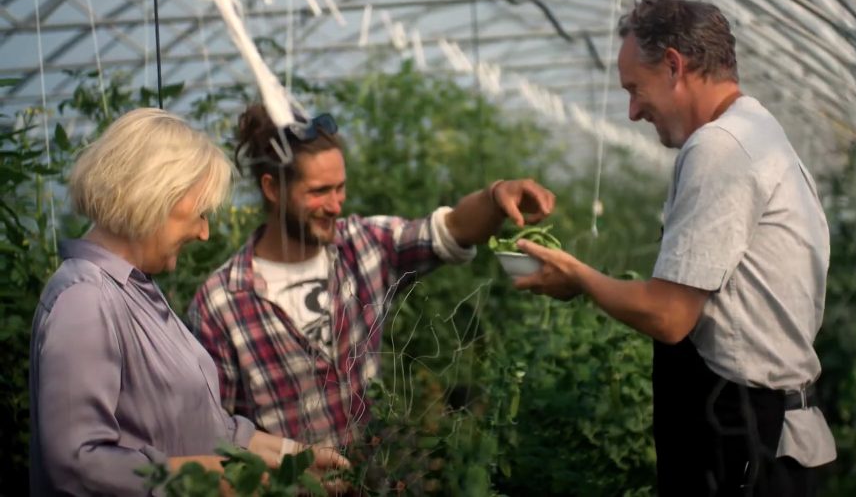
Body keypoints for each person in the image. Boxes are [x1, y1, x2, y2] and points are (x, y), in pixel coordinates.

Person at [513, 0, 835, 496]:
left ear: (673, 65)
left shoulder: (721, 147)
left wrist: (578, 277)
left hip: (743, 441)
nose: (633, 111)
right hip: (766, 435)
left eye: (634, 89)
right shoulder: (760, 134)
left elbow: (669, 315)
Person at [189, 104, 555, 448]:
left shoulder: (363, 245)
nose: (335, 205)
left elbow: (452, 229)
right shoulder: (223, 303)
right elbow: (219, 433)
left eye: (340, 188)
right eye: (318, 192)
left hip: (376, 476)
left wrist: (495, 197)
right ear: (272, 188)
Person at [29, 108, 348, 496]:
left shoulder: (135, 290)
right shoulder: (86, 300)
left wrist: (291, 456)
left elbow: (202, 426)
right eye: (198, 214)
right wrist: (219, 478)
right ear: (152, 198)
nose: (203, 232)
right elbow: (79, 465)